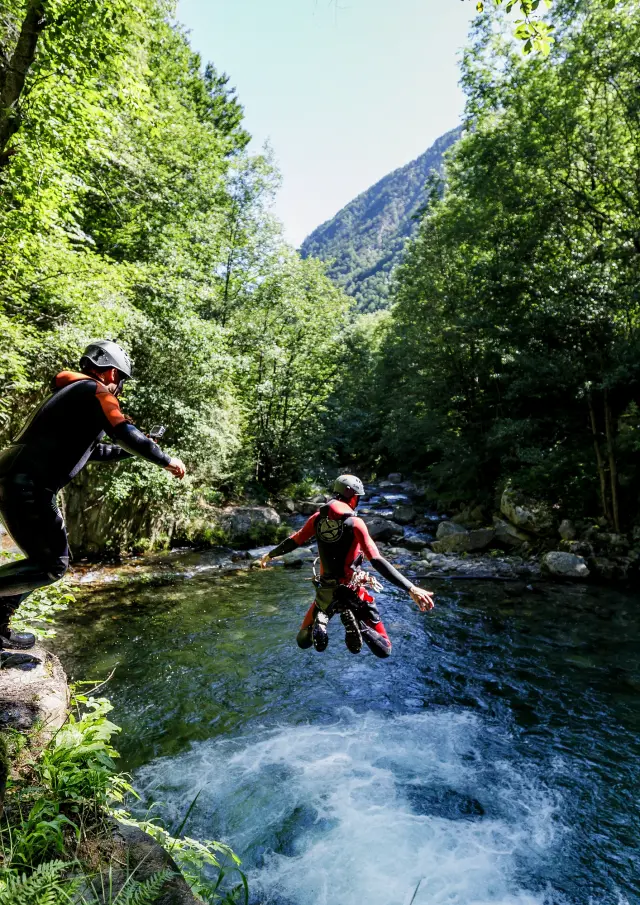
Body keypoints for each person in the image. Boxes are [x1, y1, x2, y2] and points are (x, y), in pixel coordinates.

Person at [0, 340, 186, 652]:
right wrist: (166, 460)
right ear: (113, 373)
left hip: (15, 480)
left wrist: (136, 449)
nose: (120, 389)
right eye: (122, 382)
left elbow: (95, 449)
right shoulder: (96, 392)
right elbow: (125, 432)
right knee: (51, 566)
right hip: (29, 485)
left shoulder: (72, 395)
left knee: (41, 564)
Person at [260, 474, 434, 658]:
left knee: (303, 641)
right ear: (353, 496)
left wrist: (270, 554)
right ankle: (360, 626)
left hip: (326, 591)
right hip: (353, 592)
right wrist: (411, 588)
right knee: (384, 649)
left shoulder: (317, 519)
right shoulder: (355, 523)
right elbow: (376, 560)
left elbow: (295, 540)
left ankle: (323, 617)